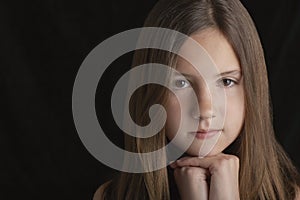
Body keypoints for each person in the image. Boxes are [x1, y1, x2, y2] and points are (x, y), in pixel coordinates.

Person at [94, 0, 300, 199]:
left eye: (226, 82)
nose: (205, 109)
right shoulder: (112, 196)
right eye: (181, 83)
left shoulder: (288, 196)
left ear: (252, 90)